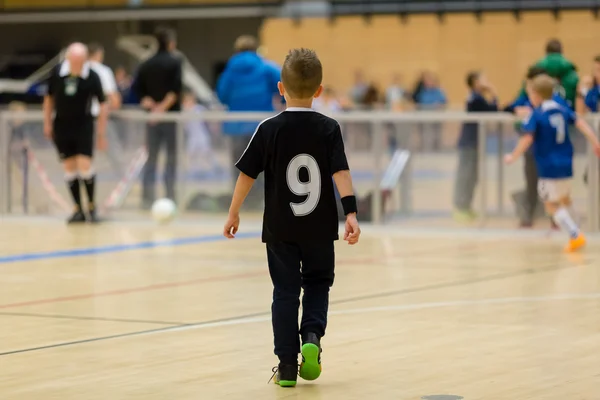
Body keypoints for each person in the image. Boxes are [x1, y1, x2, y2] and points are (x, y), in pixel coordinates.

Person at [222, 48, 360, 387]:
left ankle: (285, 365)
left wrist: (234, 211)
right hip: (319, 226)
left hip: (280, 228)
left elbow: (246, 175)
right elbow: (340, 172)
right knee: (317, 284)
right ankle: (311, 337)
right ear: (319, 90)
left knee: (284, 291)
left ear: (280, 88)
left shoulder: (269, 128)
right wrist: (352, 214)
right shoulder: (329, 127)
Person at [505, 75, 600, 252]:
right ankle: (577, 228)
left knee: (550, 204)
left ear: (537, 95)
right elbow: (581, 124)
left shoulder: (538, 114)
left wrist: (513, 156)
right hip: (566, 163)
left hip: (548, 166)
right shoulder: (563, 109)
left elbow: (527, 138)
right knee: (565, 198)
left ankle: (574, 234)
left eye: (531, 94)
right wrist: (596, 142)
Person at [43, 42, 107, 223]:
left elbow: (103, 103)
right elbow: (48, 99)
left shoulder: (91, 76)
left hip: (84, 125)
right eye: (74, 60)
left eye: (81, 60)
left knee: (85, 165)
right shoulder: (57, 73)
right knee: (70, 167)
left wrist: (102, 133)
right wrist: (47, 123)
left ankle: (92, 207)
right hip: (62, 125)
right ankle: (77, 208)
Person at [217, 35, 280, 208]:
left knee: (239, 166)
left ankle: (242, 201)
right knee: (264, 164)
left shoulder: (229, 71)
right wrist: (282, 103)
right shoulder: (266, 67)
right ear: (255, 48)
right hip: (261, 125)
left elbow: (222, 95)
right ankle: (263, 200)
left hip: (236, 126)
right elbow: (282, 85)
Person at [504, 66, 570, 228]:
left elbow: (528, 135)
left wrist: (513, 155)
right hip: (535, 153)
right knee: (533, 185)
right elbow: (510, 107)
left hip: (551, 154)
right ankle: (530, 216)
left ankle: (562, 223)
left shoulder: (551, 104)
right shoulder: (529, 101)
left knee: (555, 191)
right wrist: (516, 111)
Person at [133, 27, 183, 208]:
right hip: (169, 119)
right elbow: (175, 91)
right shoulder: (175, 62)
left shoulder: (146, 63)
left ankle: (147, 198)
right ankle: (170, 197)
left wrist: (154, 109)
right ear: (170, 43)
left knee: (151, 158)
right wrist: (162, 110)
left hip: (152, 119)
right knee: (170, 158)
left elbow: (138, 92)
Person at [453, 71, 498, 221]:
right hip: (469, 143)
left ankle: (467, 206)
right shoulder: (475, 99)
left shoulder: (478, 98)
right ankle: (460, 208)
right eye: (483, 79)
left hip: (475, 143)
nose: (487, 81)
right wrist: (493, 91)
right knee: (465, 176)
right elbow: (493, 110)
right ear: (476, 82)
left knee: (472, 176)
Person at [88, 43, 125, 177]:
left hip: (82, 120)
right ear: (98, 55)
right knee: (114, 153)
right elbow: (114, 99)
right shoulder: (103, 71)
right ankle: (123, 181)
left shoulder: (79, 70)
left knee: (85, 156)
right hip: (100, 117)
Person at [519, 39, 579, 110]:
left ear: (546, 52)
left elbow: (521, 98)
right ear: (561, 52)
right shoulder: (571, 71)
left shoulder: (537, 68)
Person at [182, 91, 221, 176]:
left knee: (206, 152)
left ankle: (215, 168)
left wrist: (213, 126)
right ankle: (192, 171)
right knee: (191, 153)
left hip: (202, 135)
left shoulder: (199, 109)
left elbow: (207, 119)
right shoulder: (185, 111)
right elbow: (185, 126)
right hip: (192, 136)